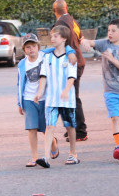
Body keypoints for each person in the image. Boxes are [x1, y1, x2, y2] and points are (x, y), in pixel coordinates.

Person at [17, 33, 76, 167]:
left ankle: (53, 143)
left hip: (46, 98)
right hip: (28, 98)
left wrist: (71, 52)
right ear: (24, 50)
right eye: (27, 47)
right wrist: (19, 102)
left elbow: (63, 46)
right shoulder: (22, 64)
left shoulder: (45, 55)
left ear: (38, 46)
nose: (31, 49)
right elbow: (20, 83)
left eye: (33, 46)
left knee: (45, 129)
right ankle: (34, 157)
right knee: (31, 129)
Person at [81, 19, 119, 161]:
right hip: (110, 91)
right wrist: (85, 43)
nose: (110, 33)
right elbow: (88, 41)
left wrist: (112, 59)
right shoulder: (104, 44)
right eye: (108, 30)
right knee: (115, 118)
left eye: (113, 31)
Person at [34, 25, 79, 168]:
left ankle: (73, 154)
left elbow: (72, 77)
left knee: (70, 126)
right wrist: (40, 92)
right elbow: (43, 76)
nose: (52, 38)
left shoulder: (70, 57)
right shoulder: (47, 56)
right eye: (51, 36)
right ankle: (46, 156)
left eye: (56, 36)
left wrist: (66, 90)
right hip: (52, 99)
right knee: (50, 127)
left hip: (67, 99)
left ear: (64, 38)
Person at [52, 0, 88, 142]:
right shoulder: (73, 21)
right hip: (78, 60)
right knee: (71, 97)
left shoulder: (60, 24)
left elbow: (60, 44)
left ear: (55, 11)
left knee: (73, 97)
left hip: (71, 63)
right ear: (66, 8)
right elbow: (80, 38)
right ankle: (73, 128)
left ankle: (80, 131)